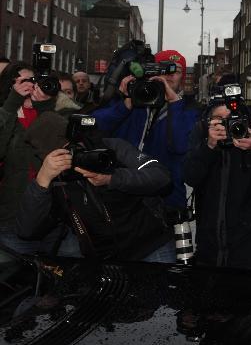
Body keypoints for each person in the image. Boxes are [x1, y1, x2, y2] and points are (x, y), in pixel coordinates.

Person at [16, 113, 174, 263]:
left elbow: (161, 177)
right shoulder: (54, 179)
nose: (74, 154)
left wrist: (112, 178)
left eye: (73, 146)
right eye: (63, 153)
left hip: (151, 247)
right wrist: (42, 181)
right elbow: (26, 231)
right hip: (103, 259)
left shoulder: (112, 148)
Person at [92, 50, 200, 249]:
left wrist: (174, 102)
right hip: (125, 201)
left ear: (182, 77)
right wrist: (126, 102)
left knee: (166, 271)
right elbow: (95, 127)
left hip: (166, 204)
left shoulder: (189, 110)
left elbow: (180, 145)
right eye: (162, 69)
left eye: (174, 71)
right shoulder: (134, 102)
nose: (168, 75)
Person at [183, 89, 251, 271]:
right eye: (219, 119)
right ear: (208, 120)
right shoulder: (201, 133)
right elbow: (191, 177)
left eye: (232, 118)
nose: (226, 125)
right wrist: (208, 147)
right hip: (210, 249)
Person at [0, 62, 79, 254]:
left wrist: (45, 105)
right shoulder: (6, 113)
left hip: (55, 218)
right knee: (15, 277)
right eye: (22, 82)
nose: (29, 87)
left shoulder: (59, 112)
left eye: (34, 81)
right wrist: (12, 103)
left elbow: (70, 149)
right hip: (13, 217)